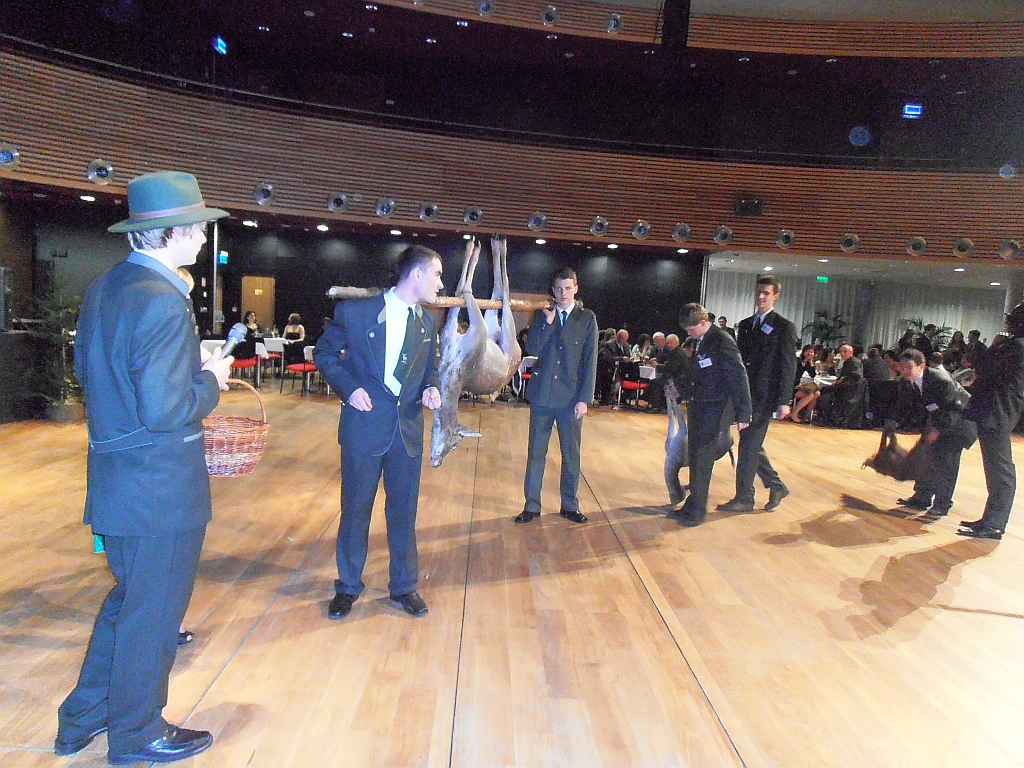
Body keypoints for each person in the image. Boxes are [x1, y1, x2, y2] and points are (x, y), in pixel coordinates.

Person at [56, 171, 233, 765]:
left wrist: (182, 370)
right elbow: (165, 409)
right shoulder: (161, 300)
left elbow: (98, 375)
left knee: (129, 605)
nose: (204, 237)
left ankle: (82, 718)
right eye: (198, 227)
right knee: (151, 617)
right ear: (171, 233)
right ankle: (136, 735)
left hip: (118, 481)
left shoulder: (107, 287)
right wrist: (210, 380)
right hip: (160, 490)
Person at [315, 245, 444, 619]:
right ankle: (347, 586)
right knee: (356, 510)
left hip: (406, 432)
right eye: (436, 274)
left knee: (404, 512)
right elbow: (324, 355)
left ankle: (404, 586)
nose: (440, 283)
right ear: (416, 274)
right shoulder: (356, 312)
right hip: (364, 428)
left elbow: (429, 370)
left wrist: (431, 388)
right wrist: (349, 388)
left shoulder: (427, 322)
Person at [515, 267, 598, 525]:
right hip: (542, 396)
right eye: (559, 289)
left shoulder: (587, 318)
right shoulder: (542, 316)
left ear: (576, 289)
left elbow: (590, 360)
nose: (563, 293)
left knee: (571, 455)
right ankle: (531, 506)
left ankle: (569, 505)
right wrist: (549, 324)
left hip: (570, 398)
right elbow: (531, 348)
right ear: (553, 290)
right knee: (535, 454)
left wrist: (585, 398)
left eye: (568, 288)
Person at [718, 276, 797, 513]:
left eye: (766, 293)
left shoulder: (784, 327)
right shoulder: (745, 325)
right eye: (759, 292)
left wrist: (784, 400)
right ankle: (776, 485)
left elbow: (787, 366)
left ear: (775, 296)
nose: (761, 297)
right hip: (745, 395)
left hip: (765, 396)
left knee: (749, 445)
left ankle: (745, 498)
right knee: (751, 445)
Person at [674, 303, 751, 527]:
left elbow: (738, 375)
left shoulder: (721, 340)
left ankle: (698, 511)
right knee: (696, 456)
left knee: (703, 458)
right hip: (700, 406)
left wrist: (744, 413)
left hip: (715, 409)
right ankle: (693, 504)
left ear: (703, 322)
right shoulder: (701, 339)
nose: (689, 333)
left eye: (691, 328)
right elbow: (698, 373)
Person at [957, 304, 1024, 541]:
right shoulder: (1015, 345)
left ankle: (994, 523)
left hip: (997, 411)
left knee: (1000, 470)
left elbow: (985, 369)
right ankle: (990, 520)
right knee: (996, 469)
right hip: (997, 410)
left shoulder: (1016, 346)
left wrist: (995, 346)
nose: (1007, 324)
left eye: (1011, 319)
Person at [886, 349, 975, 521]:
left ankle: (942, 504)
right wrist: (894, 421)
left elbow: (953, 408)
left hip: (958, 425)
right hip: (937, 422)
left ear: (921, 366)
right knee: (927, 461)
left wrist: (937, 429)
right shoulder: (906, 382)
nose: (904, 371)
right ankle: (921, 499)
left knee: (946, 465)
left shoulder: (940, 380)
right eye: (902, 368)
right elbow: (903, 405)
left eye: (909, 367)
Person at [597, 328, 630, 405]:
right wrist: (621, 359)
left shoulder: (627, 346)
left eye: (625, 340)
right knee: (605, 374)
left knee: (633, 375)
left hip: (623, 368)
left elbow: (628, 356)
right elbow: (607, 358)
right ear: (617, 337)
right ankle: (606, 398)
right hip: (609, 367)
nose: (624, 342)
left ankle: (624, 398)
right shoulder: (609, 344)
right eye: (622, 339)